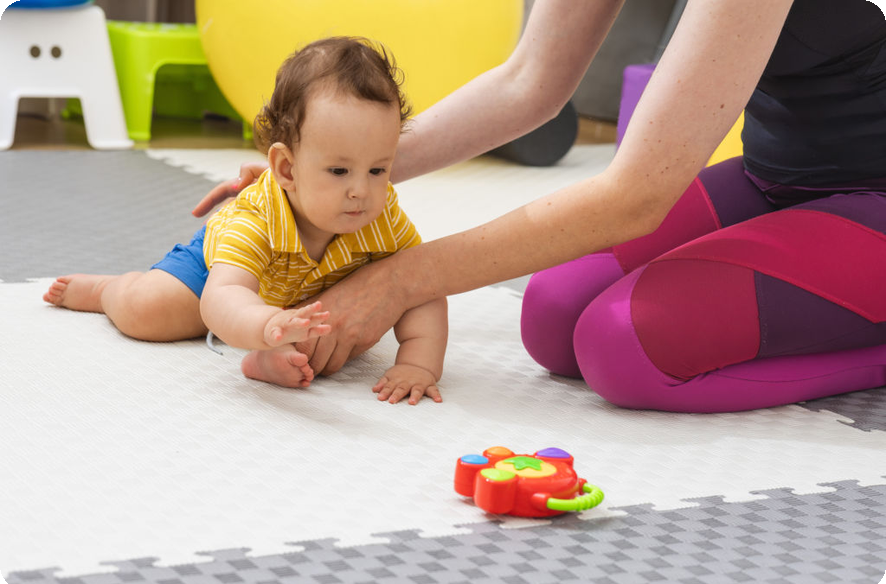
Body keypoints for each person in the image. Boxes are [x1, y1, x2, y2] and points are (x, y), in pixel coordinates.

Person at [193, 0, 886, 412]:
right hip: (776, 178)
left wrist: (398, 279)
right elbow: (528, 81)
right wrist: (328, 173)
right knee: (553, 315)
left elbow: (638, 194)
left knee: (626, 349)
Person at [44, 37, 448, 405]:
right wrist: (268, 324)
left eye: (378, 170)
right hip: (223, 272)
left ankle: (265, 359)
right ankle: (107, 290)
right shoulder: (257, 218)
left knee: (323, 338)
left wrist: (418, 363)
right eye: (339, 171)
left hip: (302, 297)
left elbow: (422, 287)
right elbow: (223, 298)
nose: (362, 191)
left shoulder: (382, 215)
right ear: (286, 169)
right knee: (147, 312)